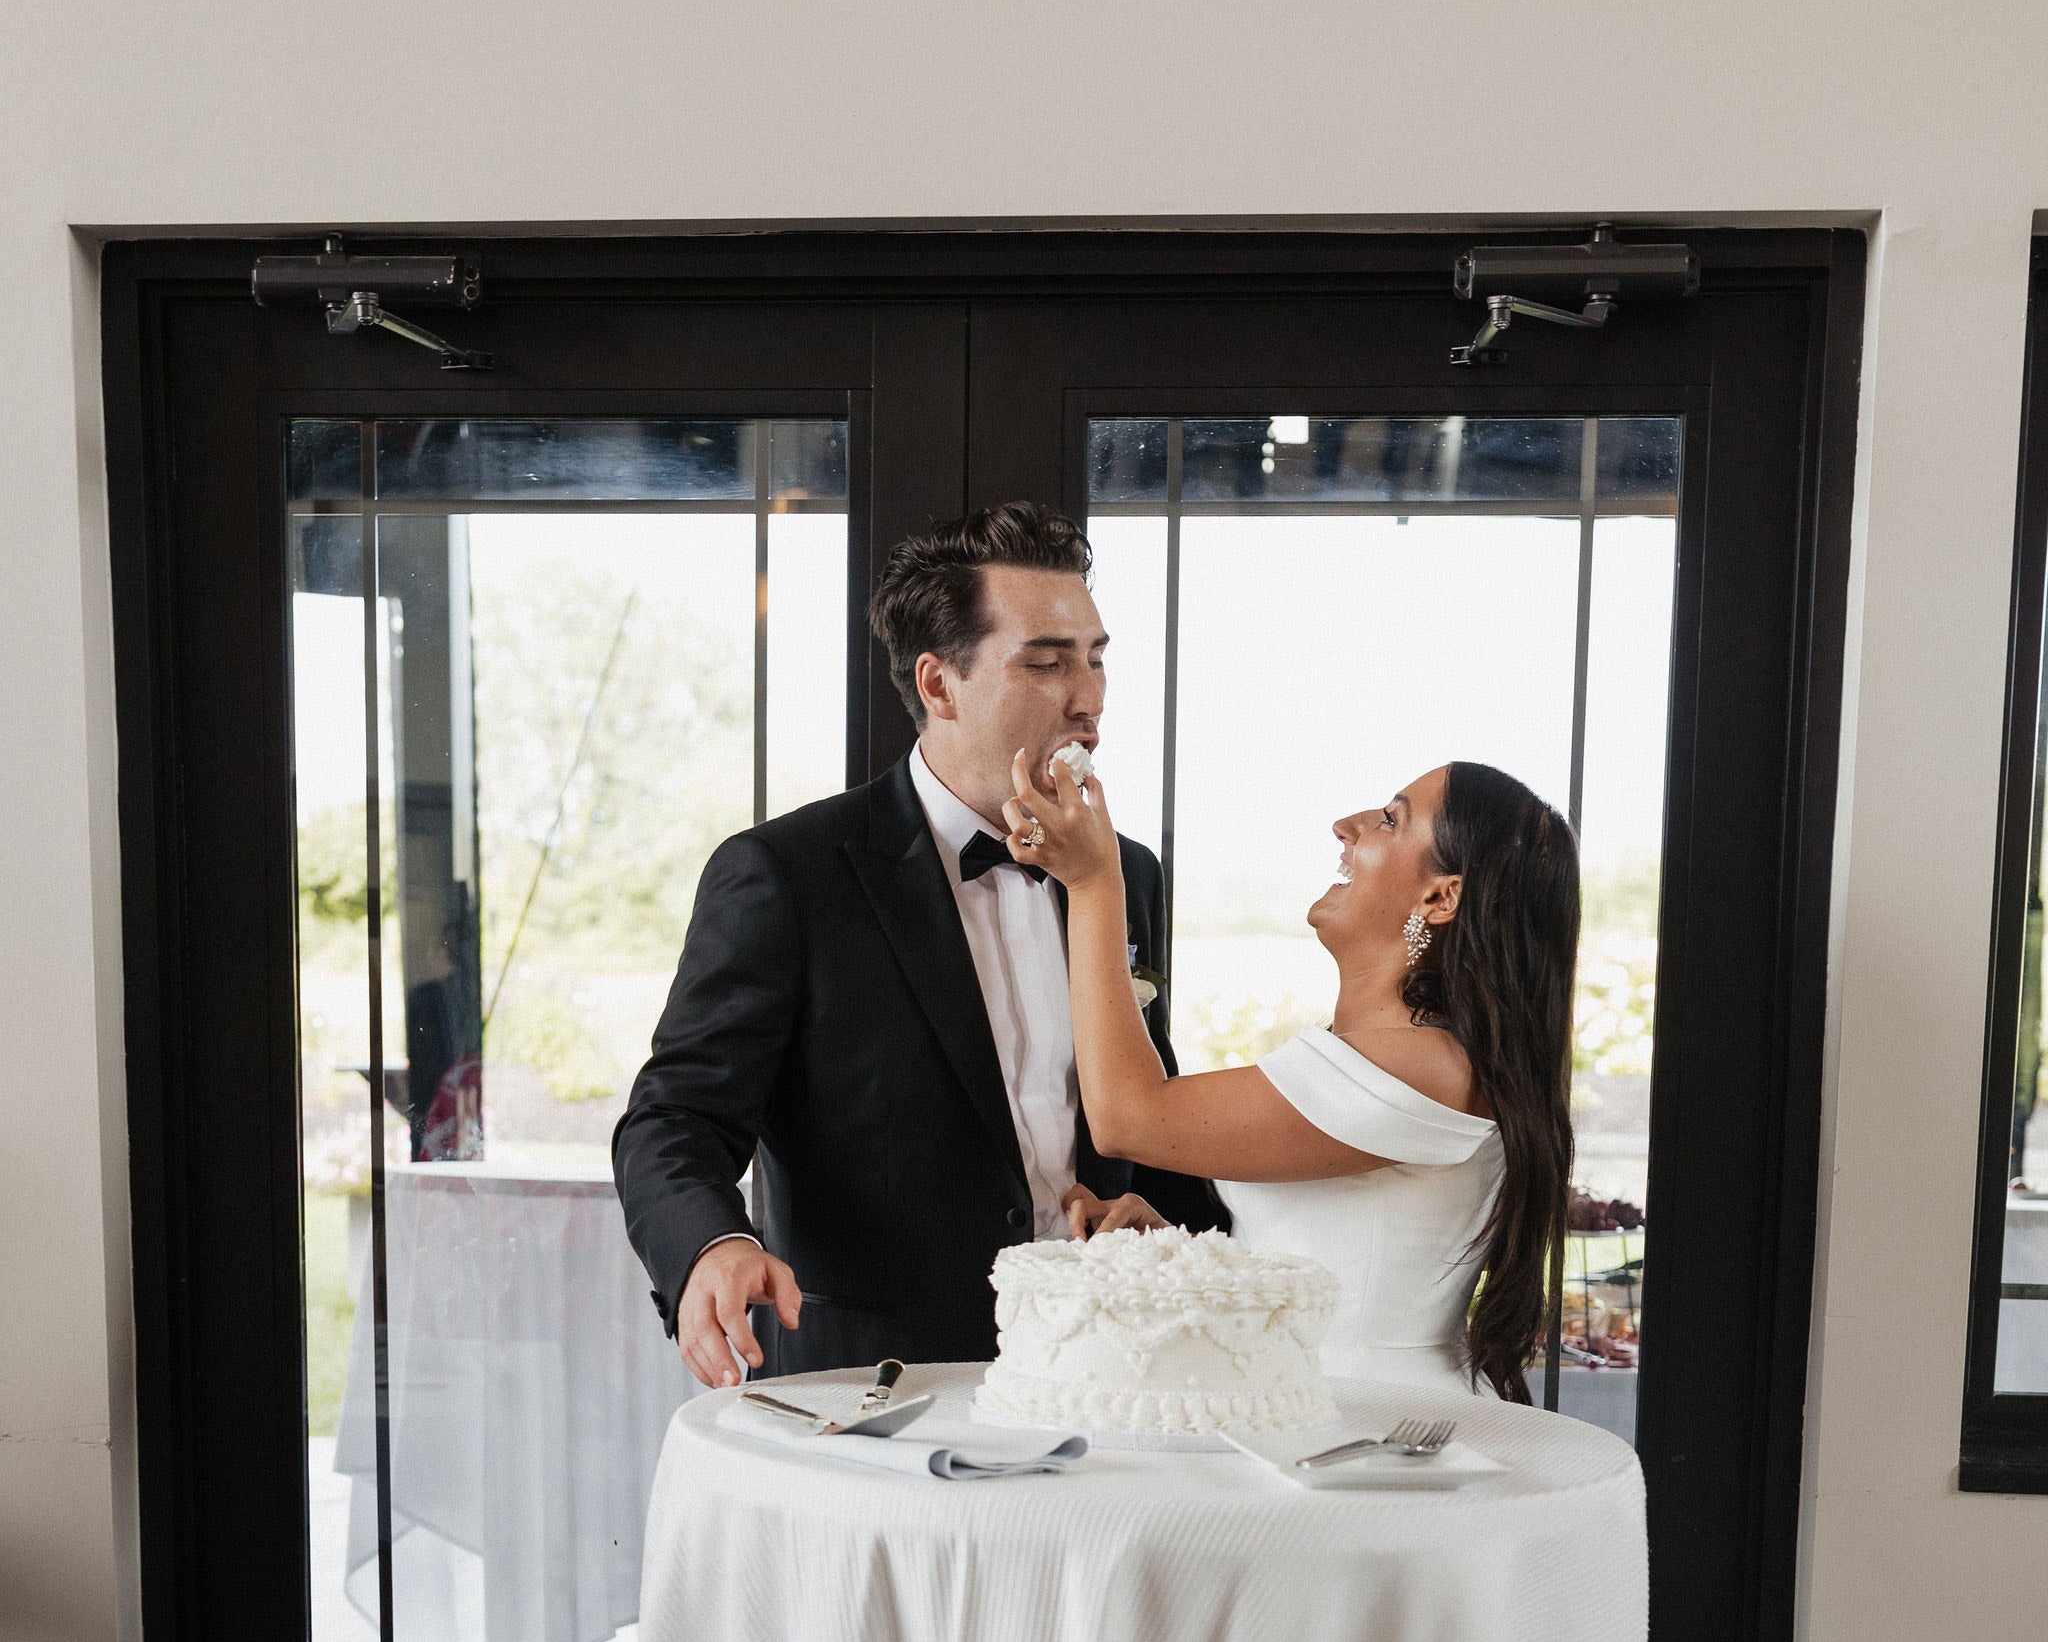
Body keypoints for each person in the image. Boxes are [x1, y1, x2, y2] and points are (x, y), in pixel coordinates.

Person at [612, 503, 1222, 1389]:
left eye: (1095, 659)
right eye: (1046, 662)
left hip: (1103, 1369)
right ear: (939, 686)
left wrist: (1153, 1215)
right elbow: (676, 1116)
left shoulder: (1127, 874)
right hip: (874, 1384)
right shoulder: (787, 874)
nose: (1086, 698)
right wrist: (711, 1243)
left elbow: (1143, 1105)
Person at [998, 752, 1578, 1399]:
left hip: (1368, 1421)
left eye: (1389, 820)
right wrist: (1180, 1253)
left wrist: (1095, 880)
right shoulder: (1408, 1060)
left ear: (1440, 897)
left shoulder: (1430, 1066)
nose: (1346, 825)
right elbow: (1335, 1261)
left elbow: (1126, 1117)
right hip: (1304, 1403)